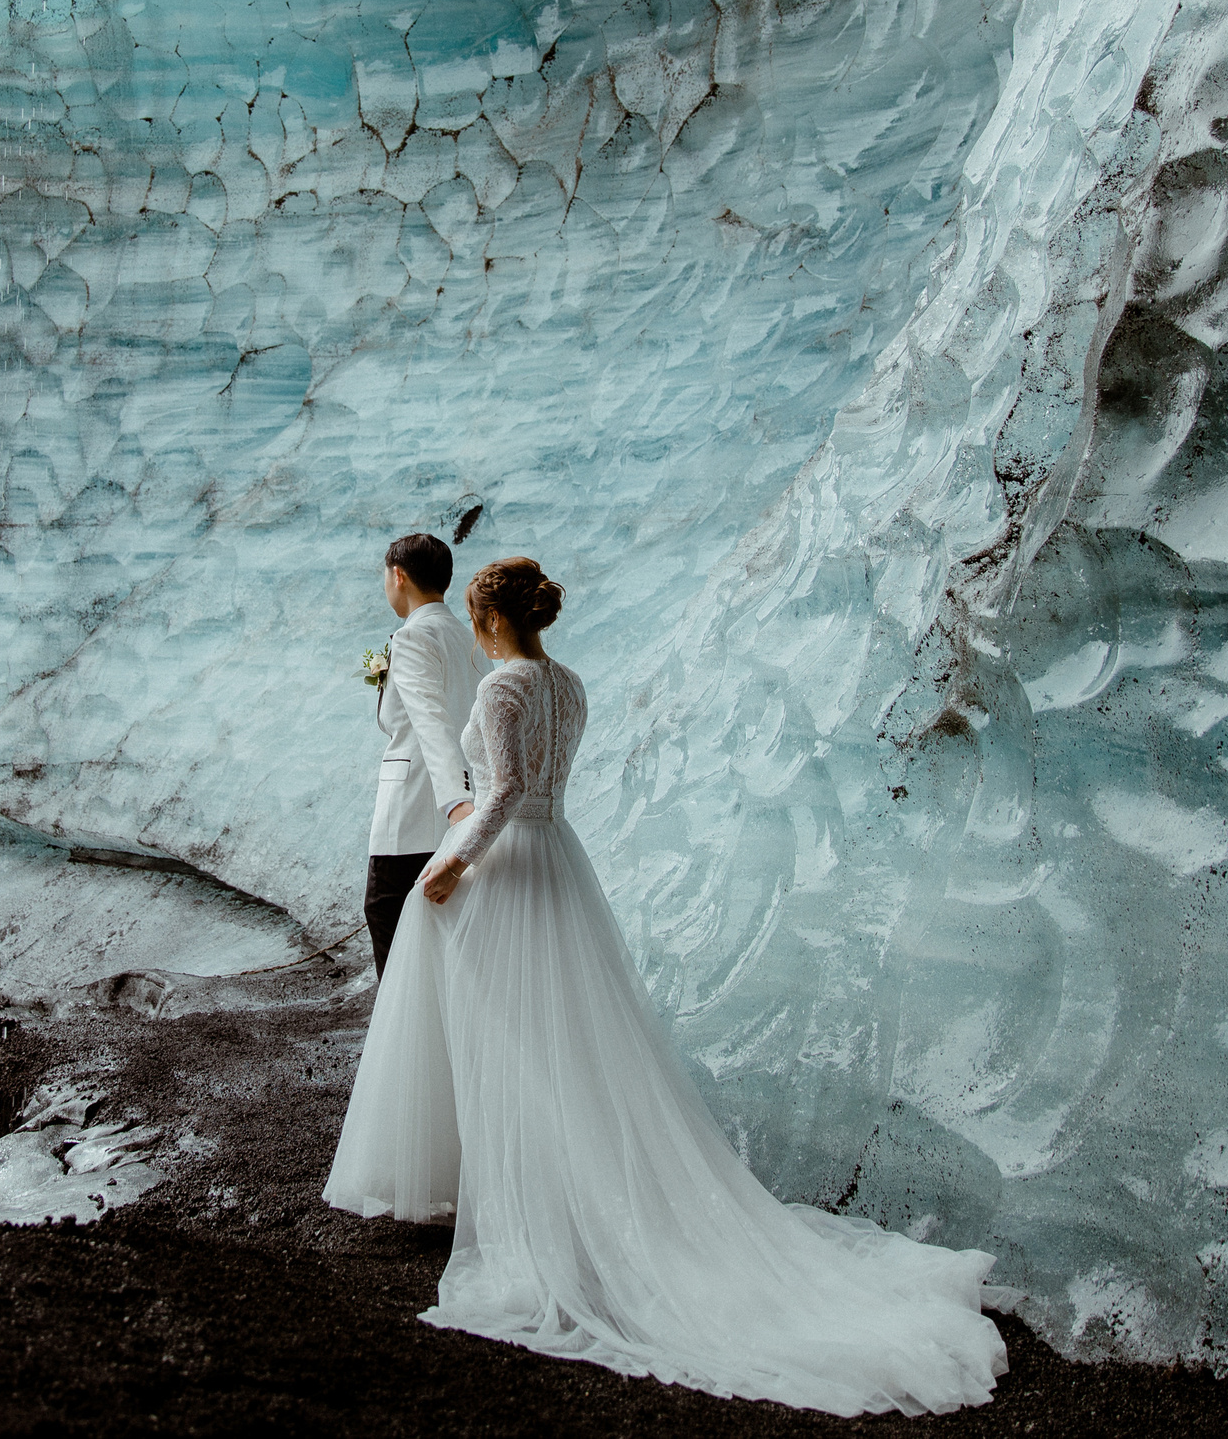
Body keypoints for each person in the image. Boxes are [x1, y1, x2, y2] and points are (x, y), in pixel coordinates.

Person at [324, 558, 1006, 1418]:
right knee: (569, 1031)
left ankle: (535, 1207)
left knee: (510, 1030)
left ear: (492, 620)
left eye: (477, 618)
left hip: (514, 863)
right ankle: (555, 1189)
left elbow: (503, 792)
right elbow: (543, 787)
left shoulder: (503, 687)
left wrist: (454, 863)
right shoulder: (568, 684)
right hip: (560, 859)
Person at [363, 533, 486, 976]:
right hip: (466, 804)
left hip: (414, 813)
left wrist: (457, 806)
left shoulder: (412, 636)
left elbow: (432, 724)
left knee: (387, 915)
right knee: (441, 935)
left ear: (398, 576)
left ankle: (398, 1024)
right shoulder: (469, 639)